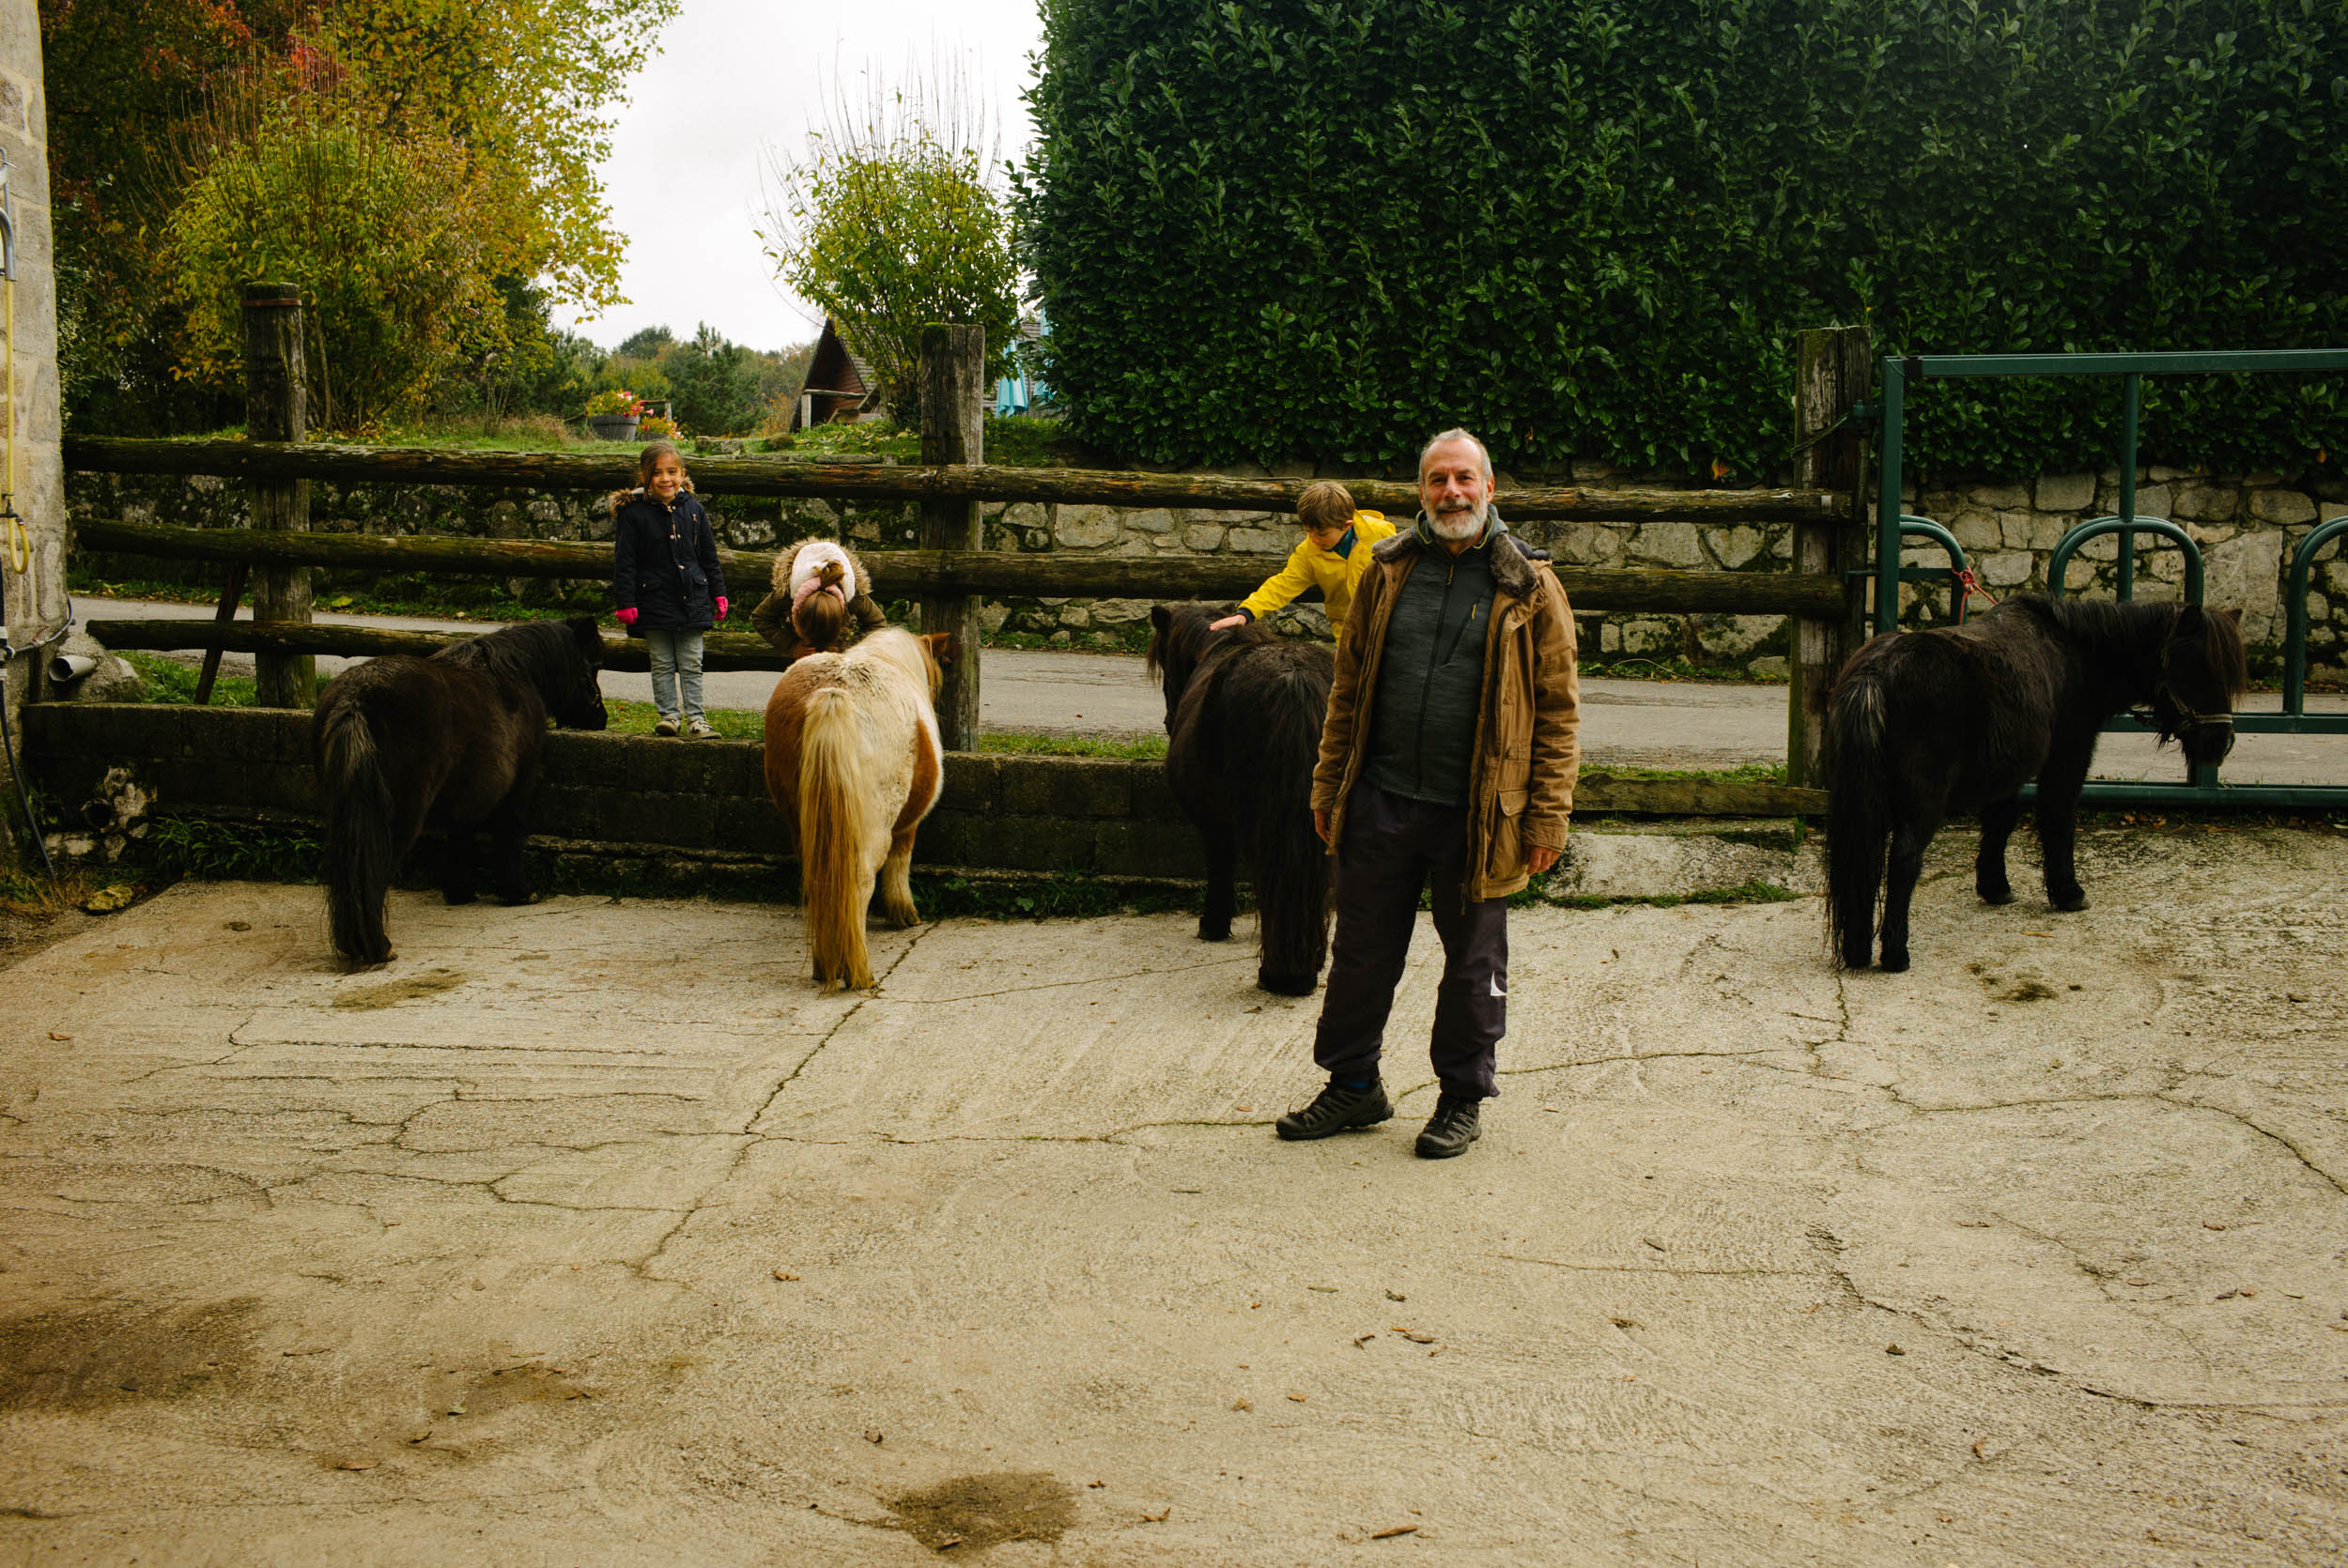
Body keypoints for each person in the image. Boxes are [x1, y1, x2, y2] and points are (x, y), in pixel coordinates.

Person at [1277, 429, 1581, 1159]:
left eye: (1464, 479)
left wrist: (1547, 816)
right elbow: (1348, 688)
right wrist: (1329, 784)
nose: (1452, 492)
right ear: (1421, 491)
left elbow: (1559, 709)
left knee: (1473, 965)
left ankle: (1461, 1098)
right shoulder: (1387, 571)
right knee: (1359, 952)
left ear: (1489, 488)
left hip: (1479, 813)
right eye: (1438, 480)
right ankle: (1354, 1085)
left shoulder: (1530, 584)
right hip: (1381, 799)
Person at [610, 441, 728, 737]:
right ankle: (669, 716)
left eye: (672, 471)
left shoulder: (694, 509)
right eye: (657, 473)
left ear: (682, 474)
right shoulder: (634, 514)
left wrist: (718, 592)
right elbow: (625, 561)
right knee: (662, 662)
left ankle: (697, 719)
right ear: (644, 476)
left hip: (693, 600)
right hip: (653, 600)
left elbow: (709, 557)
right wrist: (625, 601)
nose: (665, 479)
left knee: (691, 662)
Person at [1209, 481, 1395, 653]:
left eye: (1322, 534)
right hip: (1348, 633)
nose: (1314, 539)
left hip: (1389, 626)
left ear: (1346, 526)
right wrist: (1246, 613)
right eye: (1308, 531)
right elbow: (1282, 585)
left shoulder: (1381, 533)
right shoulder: (1308, 553)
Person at [750, 538, 887, 660]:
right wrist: (792, 645)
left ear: (842, 612)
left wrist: (848, 649)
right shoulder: (785, 593)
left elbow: (878, 624)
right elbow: (760, 618)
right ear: (796, 613)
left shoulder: (854, 596)